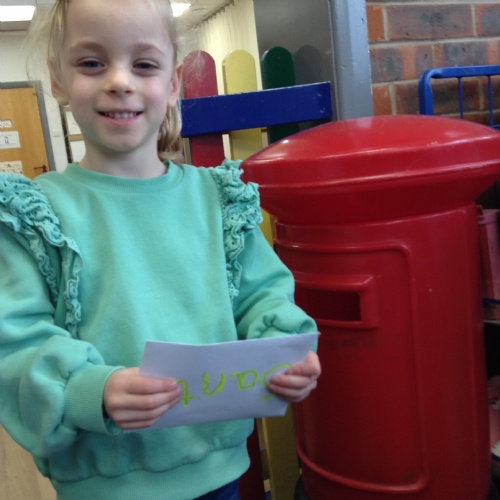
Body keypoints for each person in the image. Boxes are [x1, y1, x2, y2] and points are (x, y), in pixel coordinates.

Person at [0, 1, 321, 499]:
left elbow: (262, 295)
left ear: (173, 83)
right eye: (91, 63)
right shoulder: (34, 217)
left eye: (144, 64)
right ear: (58, 79)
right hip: (103, 486)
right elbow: (15, 344)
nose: (119, 81)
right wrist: (91, 391)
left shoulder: (217, 201)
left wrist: (283, 346)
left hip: (221, 476)